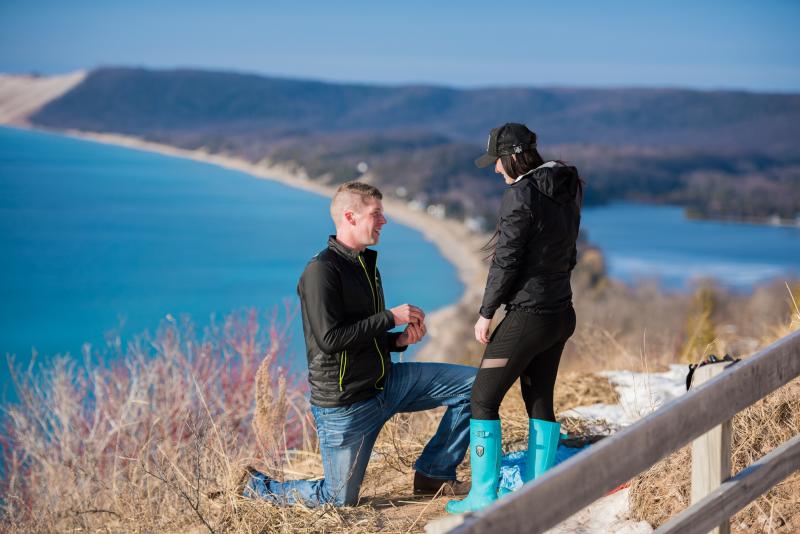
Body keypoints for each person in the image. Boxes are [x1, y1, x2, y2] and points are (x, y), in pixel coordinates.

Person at [244, 181, 476, 507]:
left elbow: (360, 334)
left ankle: (434, 475)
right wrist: (389, 318)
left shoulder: (365, 263)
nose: (385, 221)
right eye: (377, 214)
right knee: (338, 500)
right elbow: (329, 340)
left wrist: (398, 341)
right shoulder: (321, 271)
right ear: (350, 217)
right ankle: (257, 488)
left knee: (475, 386)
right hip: (347, 405)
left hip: (387, 384)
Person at [446, 123, 583, 514]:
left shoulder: (521, 194)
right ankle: (539, 491)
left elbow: (506, 260)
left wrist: (486, 313)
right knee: (538, 399)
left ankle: (483, 496)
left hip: (529, 315)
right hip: (560, 312)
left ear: (512, 156)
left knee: (482, 399)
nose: (494, 170)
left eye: (496, 162)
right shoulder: (566, 185)